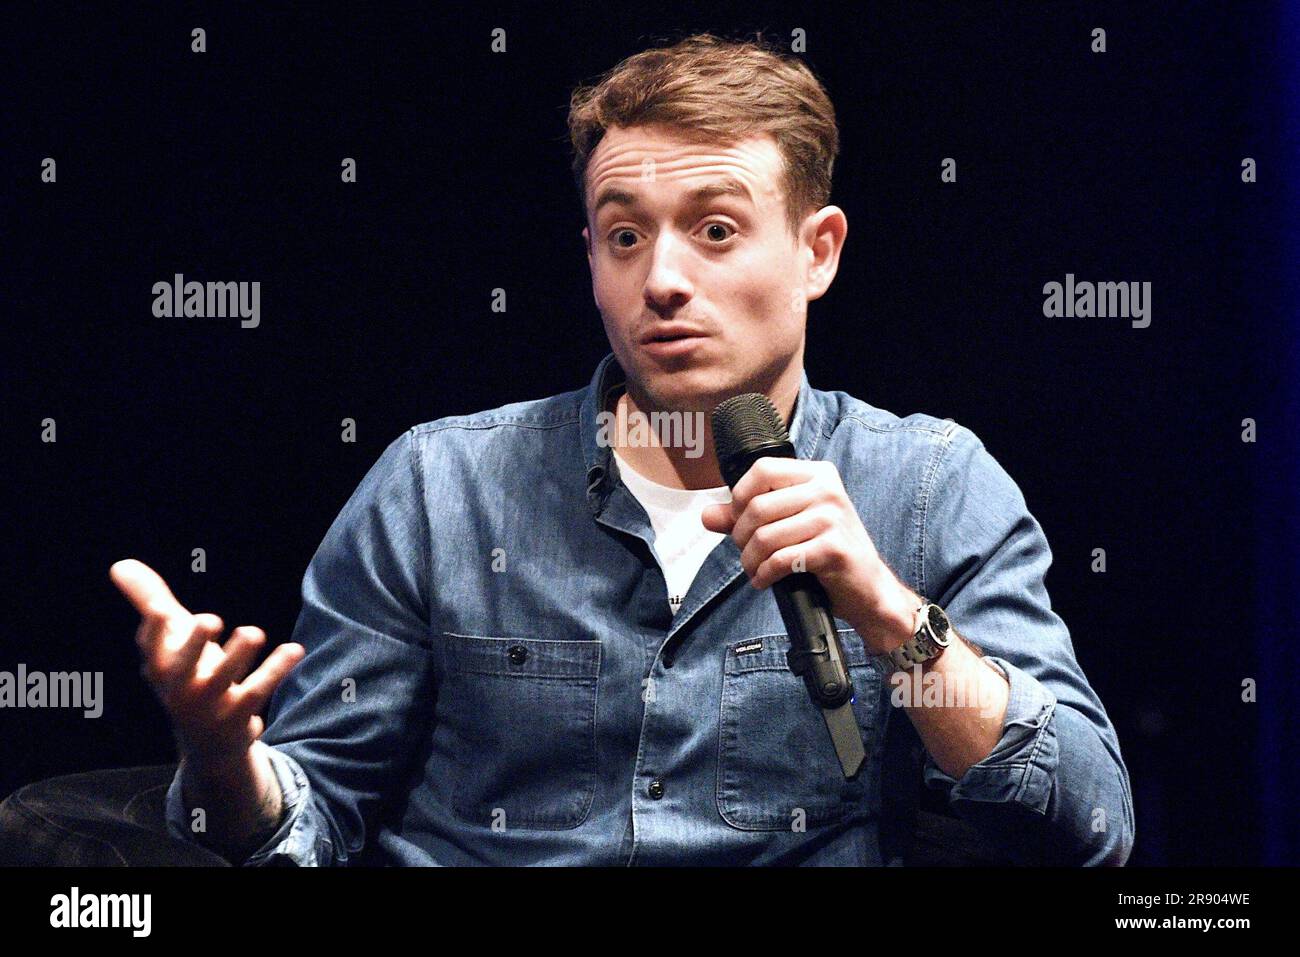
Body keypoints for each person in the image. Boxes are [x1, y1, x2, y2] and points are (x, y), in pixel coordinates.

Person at [18, 32, 1135, 866]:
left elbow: (1090, 828)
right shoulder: (439, 487)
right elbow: (302, 827)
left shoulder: (931, 486)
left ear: (817, 249)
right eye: (622, 235)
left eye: (713, 228)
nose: (659, 278)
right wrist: (221, 757)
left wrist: (894, 621)